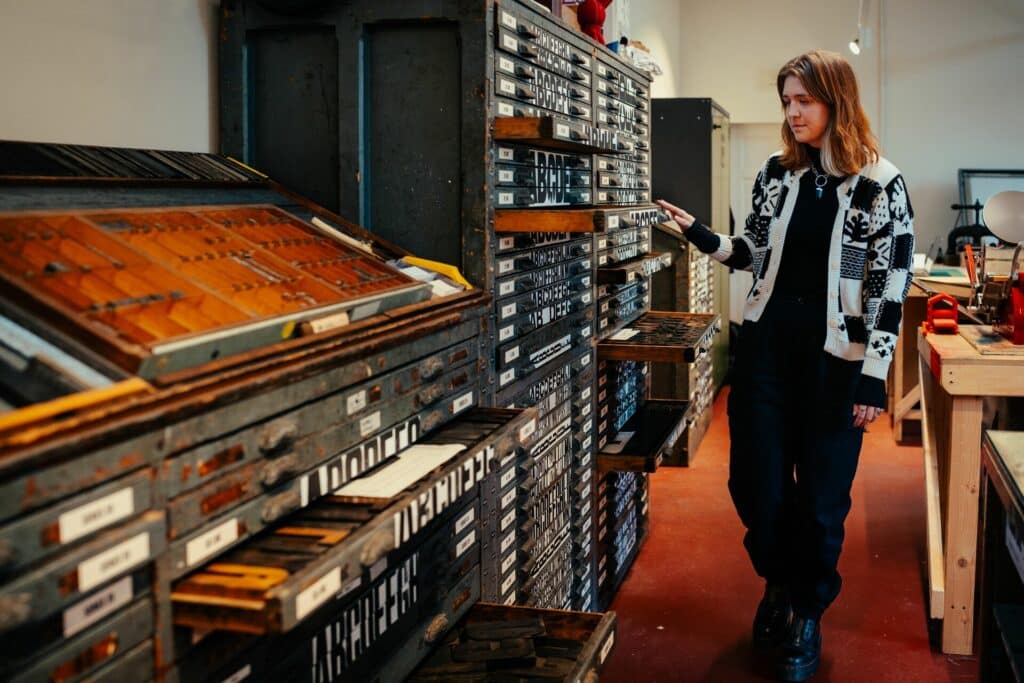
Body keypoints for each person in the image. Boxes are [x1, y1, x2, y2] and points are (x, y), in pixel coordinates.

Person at [656, 49, 914, 682]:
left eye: (804, 100)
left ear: (837, 101)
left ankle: (804, 610)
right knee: (756, 482)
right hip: (768, 348)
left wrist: (874, 377)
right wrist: (702, 236)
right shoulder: (776, 173)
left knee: (823, 501)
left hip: (838, 361)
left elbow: (891, 284)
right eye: (787, 102)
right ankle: (777, 581)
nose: (793, 113)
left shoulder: (881, 183)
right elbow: (754, 253)